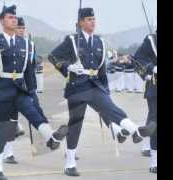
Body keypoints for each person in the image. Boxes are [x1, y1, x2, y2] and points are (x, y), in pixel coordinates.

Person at [48, 7, 157, 176]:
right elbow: (53, 56)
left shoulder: (100, 42)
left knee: (112, 108)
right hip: (77, 87)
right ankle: (69, 163)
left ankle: (136, 131)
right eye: (89, 19)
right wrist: (67, 66)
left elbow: (101, 71)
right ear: (81, 22)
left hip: (94, 85)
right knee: (76, 124)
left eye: (94, 19)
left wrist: (105, 90)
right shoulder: (72, 40)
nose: (93, 22)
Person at [0, 6, 68, 180]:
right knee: (2, 131)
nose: (14, 20)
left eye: (15, 17)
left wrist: (32, 91)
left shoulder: (26, 44)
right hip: (1, 90)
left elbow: (28, 71)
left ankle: (51, 137)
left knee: (33, 113)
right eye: (10, 17)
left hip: (20, 89)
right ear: (2, 21)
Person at [134, 30, 157, 173]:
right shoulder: (152, 40)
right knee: (155, 120)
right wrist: (151, 68)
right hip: (155, 87)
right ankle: (154, 160)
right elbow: (137, 59)